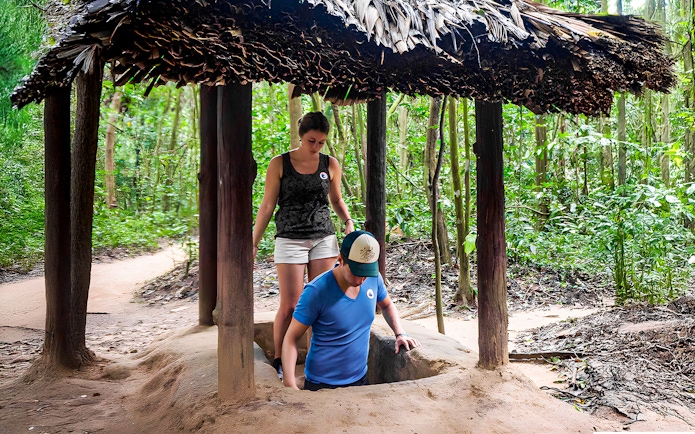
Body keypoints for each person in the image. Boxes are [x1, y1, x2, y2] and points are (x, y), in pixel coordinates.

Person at [252, 111, 355, 380]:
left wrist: (348, 220)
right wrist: (253, 243)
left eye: (321, 142)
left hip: (323, 237)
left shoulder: (330, 164)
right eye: (312, 141)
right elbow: (267, 206)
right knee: (291, 305)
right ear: (301, 136)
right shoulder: (280, 163)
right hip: (289, 238)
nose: (316, 147)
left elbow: (336, 200)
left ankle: (315, 359)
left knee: (320, 301)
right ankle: (278, 358)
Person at [281, 230, 421, 390]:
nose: (362, 280)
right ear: (340, 259)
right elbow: (291, 338)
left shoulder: (374, 279)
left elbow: (387, 305)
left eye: (366, 273)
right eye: (357, 272)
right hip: (322, 385)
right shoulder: (316, 291)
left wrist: (400, 333)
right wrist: (289, 382)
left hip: (360, 380)